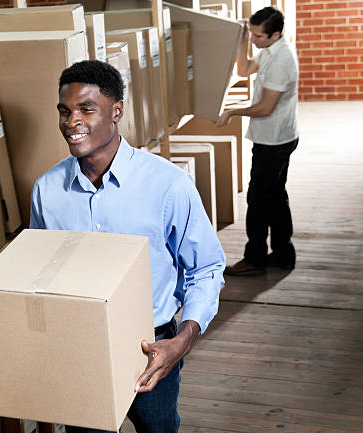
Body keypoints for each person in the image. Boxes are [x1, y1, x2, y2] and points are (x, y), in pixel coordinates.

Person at [29, 60, 225, 433]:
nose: (72, 121)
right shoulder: (46, 190)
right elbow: (41, 274)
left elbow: (207, 268)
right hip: (78, 348)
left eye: (87, 109)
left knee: (159, 427)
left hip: (152, 347)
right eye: (64, 111)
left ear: (116, 111)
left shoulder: (168, 185)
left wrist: (182, 340)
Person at [215, 6, 299, 276]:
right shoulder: (269, 49)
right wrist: (243, 39)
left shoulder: (282, 59)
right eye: (252, 34)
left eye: (258, 36)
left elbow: (265, 108)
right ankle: (284, 254)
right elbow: (243, 69)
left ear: (275, 34)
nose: (254, 40)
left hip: (274, 140)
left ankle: (255, 260)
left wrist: (232, 111)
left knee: (259, 198)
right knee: (276, 195)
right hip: (276, 136)